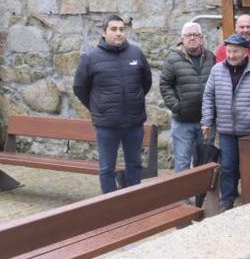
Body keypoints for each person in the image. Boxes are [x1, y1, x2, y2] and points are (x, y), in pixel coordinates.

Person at [73, 14, 152, 194]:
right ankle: (110, 205)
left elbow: (146, 82)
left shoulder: (136, 54)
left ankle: (134, 202)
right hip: (107, 125)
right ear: (104, 32)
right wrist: (98, 107)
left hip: (134, 123)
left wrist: (134, 100)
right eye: (114, 29)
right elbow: (79, 88)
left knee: (135, 165)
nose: (118, 33)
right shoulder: (90, 58)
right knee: (107, 168)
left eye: (121, 29)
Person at [201, 34, 250, 210]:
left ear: (245, 52)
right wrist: (207, 121)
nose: (231, 55)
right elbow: (208, 96)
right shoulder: (216, 71)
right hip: (227, 129)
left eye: (235, 51)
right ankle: (227, 200)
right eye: (228, 51)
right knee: (228, 167)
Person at [159, 21, 215, 173]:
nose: (192, 38)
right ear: (182, 38)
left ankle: (201, 189)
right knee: (182, 162)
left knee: (204, 162)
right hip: (183, 122)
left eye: (196, 35)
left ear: (202, 38)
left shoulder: (211, 57)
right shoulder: (172, 59)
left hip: (205, 122)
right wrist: (177, 106)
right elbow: (165, 84)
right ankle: (184, 190)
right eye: (188, 35)